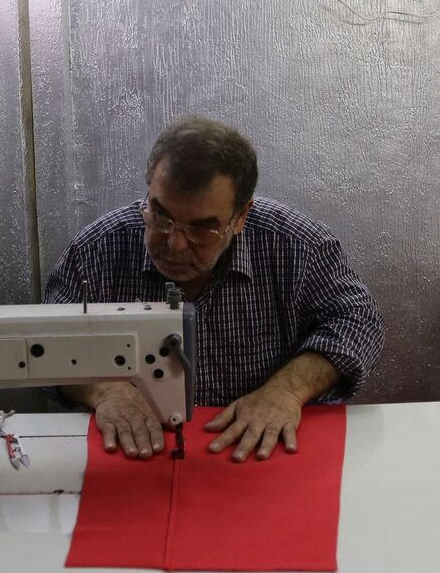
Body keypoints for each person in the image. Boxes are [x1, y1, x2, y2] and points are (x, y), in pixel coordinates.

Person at [44, 116, 384, 463]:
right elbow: (49, 344)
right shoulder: (96, 251)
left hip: (263, 453)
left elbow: (359, 322)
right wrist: (103, 391)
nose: (174, 244)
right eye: (161, 216)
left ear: (241, 217)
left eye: (201, 229)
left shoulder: (297, 246)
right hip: (137, 456)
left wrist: (287, 391)